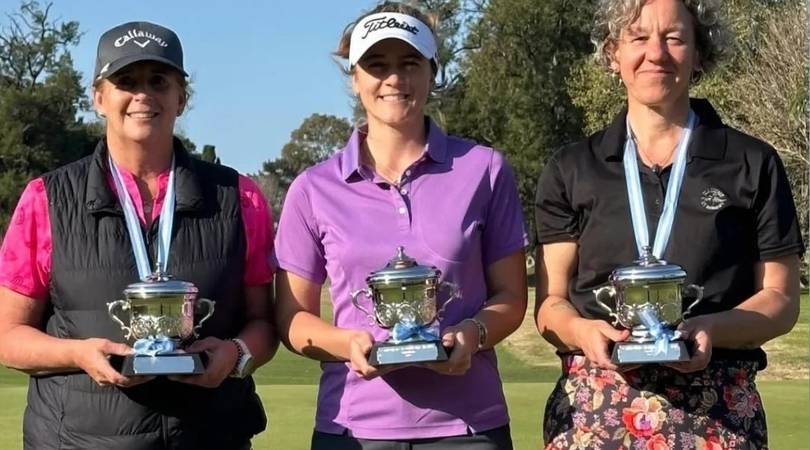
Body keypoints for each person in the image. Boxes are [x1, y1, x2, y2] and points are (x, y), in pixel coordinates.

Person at [534, 0, 804, 448]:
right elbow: (550, 304)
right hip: (595, 413)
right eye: (638, 37)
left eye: (674, 38)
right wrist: (582, 331)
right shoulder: (571, 168)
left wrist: (712, 328)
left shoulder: (752, 163)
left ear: (699, 54)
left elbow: (782, 299)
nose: (655, 53)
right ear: (613, 53)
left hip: (719, 414)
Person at [0, 21, 277, 450]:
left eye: (159, 81)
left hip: (209, 437)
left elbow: (263, 322)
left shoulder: (239, 197)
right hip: (76, 440)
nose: (143, 94)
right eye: (126, 81)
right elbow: (8, 336)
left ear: (181, 98)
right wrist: (77, 353)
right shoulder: (46, 199)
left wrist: (237, 354)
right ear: (99, 98)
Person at [273, 2, 528, 449]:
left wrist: (473, 333)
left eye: (410, 63)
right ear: (355, 77)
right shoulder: (313, 188)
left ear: (432, 72)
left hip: (469, 428)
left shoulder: (484, 169)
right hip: (352, 429)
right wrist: (347, 344)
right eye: (376, 64)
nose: (394, 78)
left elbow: (510, 296)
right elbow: (294, 319)